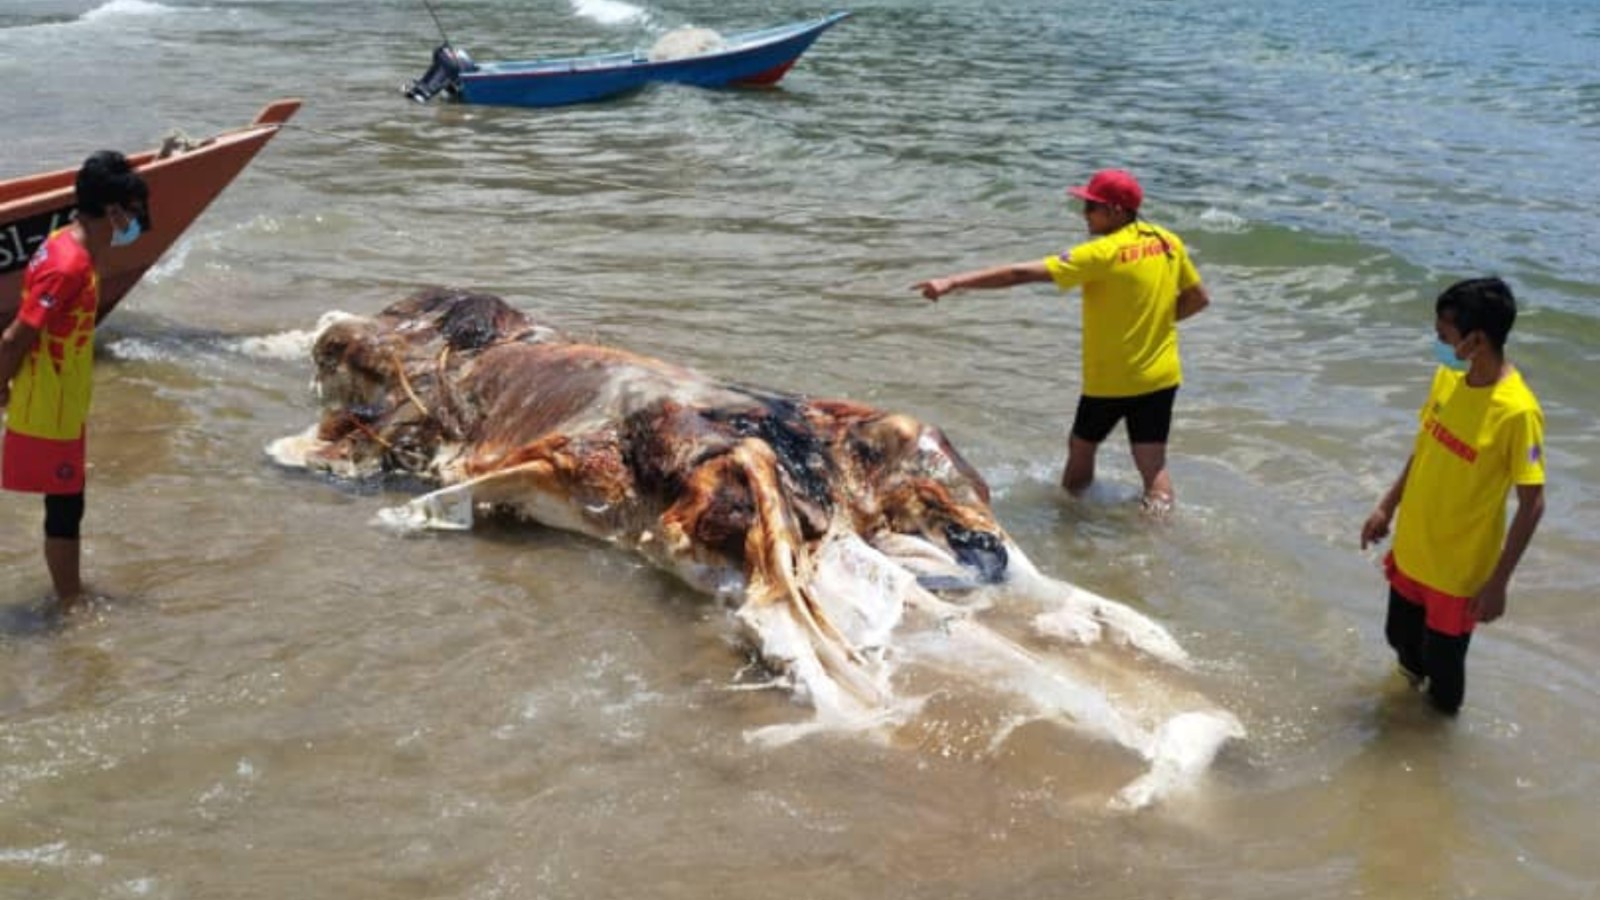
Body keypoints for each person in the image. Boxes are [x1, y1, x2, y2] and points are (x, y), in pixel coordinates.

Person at [913, 168, 1210, 511]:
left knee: (1081, 448)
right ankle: (1161, 536)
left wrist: (953, 281)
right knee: (1152, 464)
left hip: (1112, 379)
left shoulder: (1102, 253)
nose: (1084, 214)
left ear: (1117, 210)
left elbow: (1021, 274)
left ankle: (1070, 521)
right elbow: (1198, 298)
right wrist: (1152, 324)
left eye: (1091, 207)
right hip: (1161, 376)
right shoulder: (1166, 241)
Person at [1360, 277, 1545, 715]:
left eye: (1444, 334)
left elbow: (1533, 504)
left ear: (1476, 340)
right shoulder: (1447, 380)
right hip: (1413, 548)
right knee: (1399, 640)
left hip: (1458, 572)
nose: (1437, 341)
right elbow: (1422, 449)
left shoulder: (1517, 412)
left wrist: (1498, 583)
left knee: (1445, 673)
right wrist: (1387, 505)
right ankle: (1404, 721)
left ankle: (1436, 749)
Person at [0, 150, 150, 613]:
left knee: (68, 500)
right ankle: (69, 604)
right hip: (49, 403)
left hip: (63, 398)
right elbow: (15, 336)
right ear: (115, 210)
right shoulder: (70, 266)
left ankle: (69, 595)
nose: (138, 219)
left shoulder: (68, 243)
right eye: (135, 208)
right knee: (65, 505)